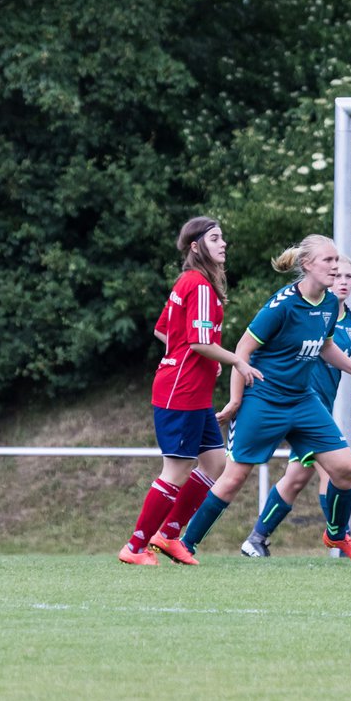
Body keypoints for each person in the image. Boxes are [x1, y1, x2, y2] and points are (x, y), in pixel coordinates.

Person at [178, 234, 351, 563]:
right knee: (233, 478)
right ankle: (185, 544)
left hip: (302, 400)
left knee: (345, 468)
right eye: (328, 260)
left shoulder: (329, 303)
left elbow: (326, 346)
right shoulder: (283, 304)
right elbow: (242, 350)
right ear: (307, 265)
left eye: (337, 260)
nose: (336, 266)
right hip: (264, 399)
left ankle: (337, 536)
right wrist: (235, 400)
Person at [119, 217, 263, 566]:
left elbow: (165, 333)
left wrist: (196, 356)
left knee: (214, 463)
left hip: (193, 393)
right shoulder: (198, 284)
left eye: (223, 237)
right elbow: (199, 342)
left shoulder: (192, 283)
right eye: (215, 238)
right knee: (177, 470)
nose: (223, 243)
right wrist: (236, 362)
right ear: (197, 246)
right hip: (180, 392)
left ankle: (168, 536)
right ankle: (135, 547)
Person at [239, 255, 351, 558]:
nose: (342, 281)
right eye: (337, 274)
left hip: (318, 411)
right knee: (333, 471)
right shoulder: (310, 312)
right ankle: (342, 541)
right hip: (299, 407)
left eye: (348, 276)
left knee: (296, 478)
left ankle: (257, 538)